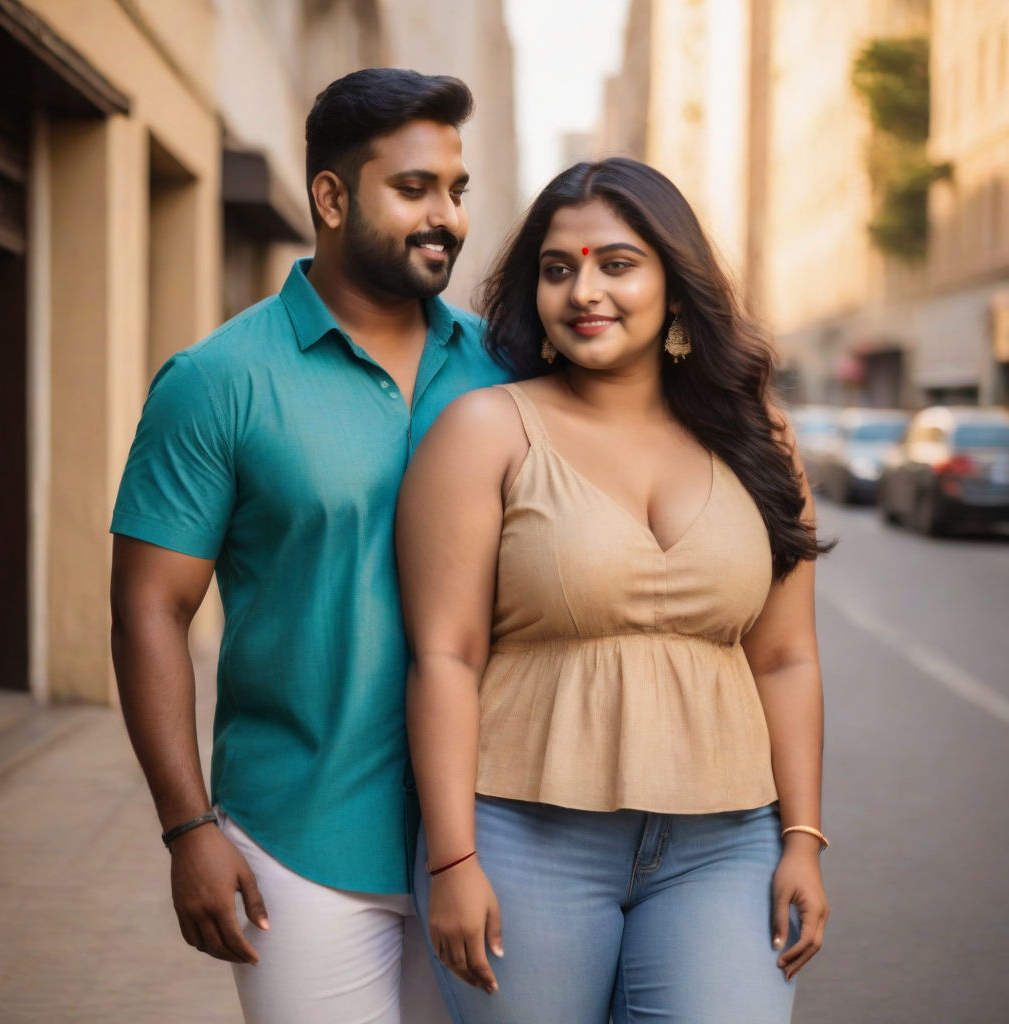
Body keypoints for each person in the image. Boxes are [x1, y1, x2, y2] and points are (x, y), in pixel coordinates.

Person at [109, 67, 508, 1024]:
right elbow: (148, 609)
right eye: (413, 189)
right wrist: (187, 828)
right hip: (301, 840)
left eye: (456, 191)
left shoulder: (503, 367)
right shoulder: (217, 381)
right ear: (330, 197)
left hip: (501, 833)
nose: (445, 217)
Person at [395, 157, 831, 1023]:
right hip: (524, 838)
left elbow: (784, 657)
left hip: (726, 842)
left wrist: (804, 840)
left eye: (616, 263)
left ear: (676, 284)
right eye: (559, 269)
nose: (584, 289)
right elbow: (444, 655)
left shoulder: (758, 437)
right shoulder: (486, 429)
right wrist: (452, 861)